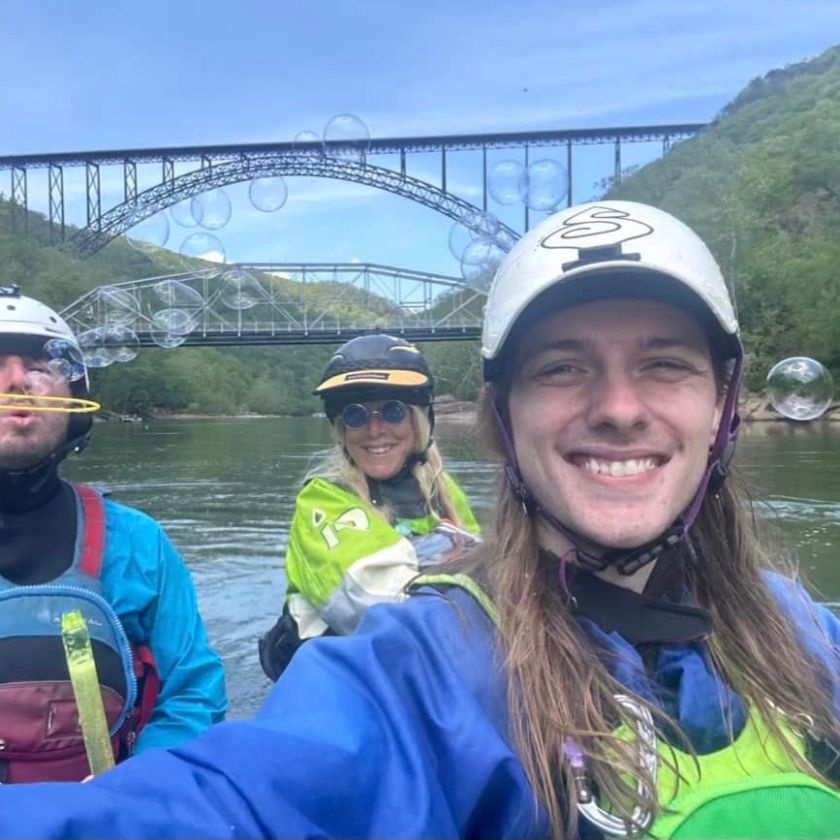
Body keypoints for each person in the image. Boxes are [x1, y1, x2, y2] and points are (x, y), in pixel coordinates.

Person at [0, 202, 837, 837]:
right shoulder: (422, 668)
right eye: (561, 368)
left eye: (665, 364)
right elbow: (240, 799)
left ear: (724, 404)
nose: (619, 408)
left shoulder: (807, 635)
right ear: (502, 418)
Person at [0, 286, 226, 783]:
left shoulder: (138, 542)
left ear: (74, 402)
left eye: (40, 367)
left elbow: (193, 694)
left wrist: (135, 790)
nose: (17, 381)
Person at [258, 333, 480, 680]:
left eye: (392, 411)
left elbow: (486, 567)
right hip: (340, 690)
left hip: (428, 675)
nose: (374, 430)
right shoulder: (323, 500)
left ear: (418, 420)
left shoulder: (442, 490)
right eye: (356, 415)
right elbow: (374, 602)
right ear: (342, 429)